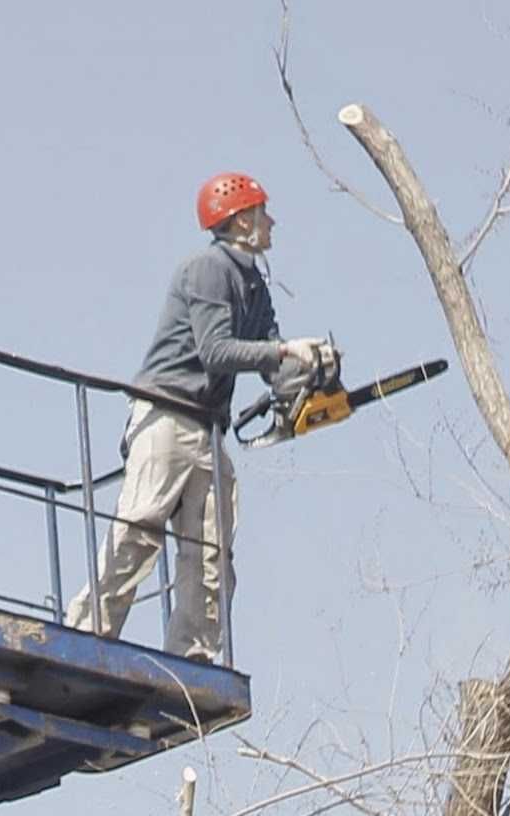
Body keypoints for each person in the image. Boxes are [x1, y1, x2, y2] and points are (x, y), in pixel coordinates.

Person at [65, 173, 320, 663]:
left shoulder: (254, 285)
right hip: (166, 414)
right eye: (264, 212)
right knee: (139, 533)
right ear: (242, 219)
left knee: (210, 552)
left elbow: (271, 361)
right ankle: (85, 633)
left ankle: (194, 657)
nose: (272, 222)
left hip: (206, 427)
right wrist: (286, 349)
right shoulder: (206, 269)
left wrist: (308, 382)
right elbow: (217, 350)